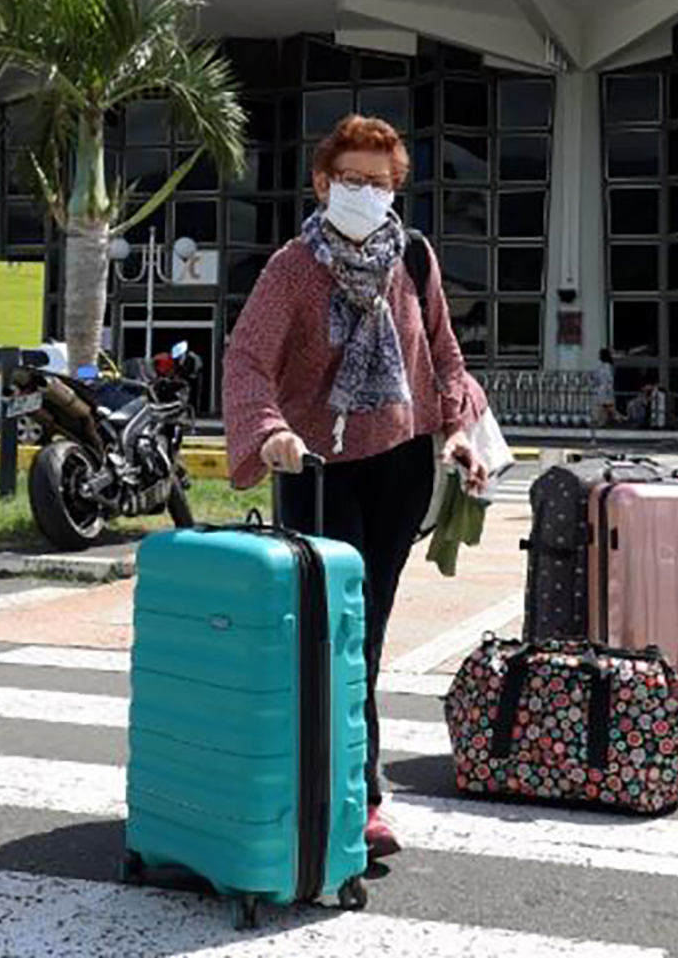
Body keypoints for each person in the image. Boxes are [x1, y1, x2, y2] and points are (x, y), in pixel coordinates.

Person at [224, 114, 486, 862]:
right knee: (329, 634)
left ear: (396, 186)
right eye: (352, 179)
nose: (366, 192)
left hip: (399, 465)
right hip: (315, 471)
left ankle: (350, 793)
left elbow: (445, 354)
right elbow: (246, 359)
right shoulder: (291, 269)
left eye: (379, 181)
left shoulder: (414, 257)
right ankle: (352, 798)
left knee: (361, 634)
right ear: (321, 182)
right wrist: (269, 429)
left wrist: (457, 429)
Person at [593, 347, 618, 428]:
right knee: (605, 406)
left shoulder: (601, 366)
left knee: (605, 406)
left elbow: (596, 377)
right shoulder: (607, 366)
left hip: (603, 389)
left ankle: (608, 420)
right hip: (606, 389)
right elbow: (609, 379)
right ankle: (605, 421)